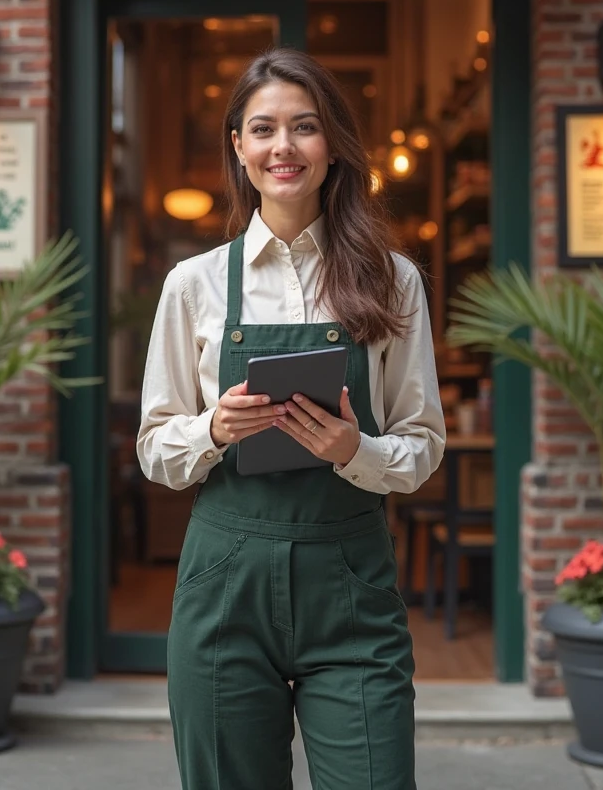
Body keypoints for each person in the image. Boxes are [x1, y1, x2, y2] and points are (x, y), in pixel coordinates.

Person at [137, 48, 446, 790]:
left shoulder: (391, 277)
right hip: (224, 582)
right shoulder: (195, 284)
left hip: (350, 581)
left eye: (304, 127)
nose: (284, 146)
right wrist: (213, 429)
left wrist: (354, 450)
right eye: (264, 129)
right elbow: (155, 447)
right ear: (238, 148)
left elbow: (422, 440)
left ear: (333, 145)